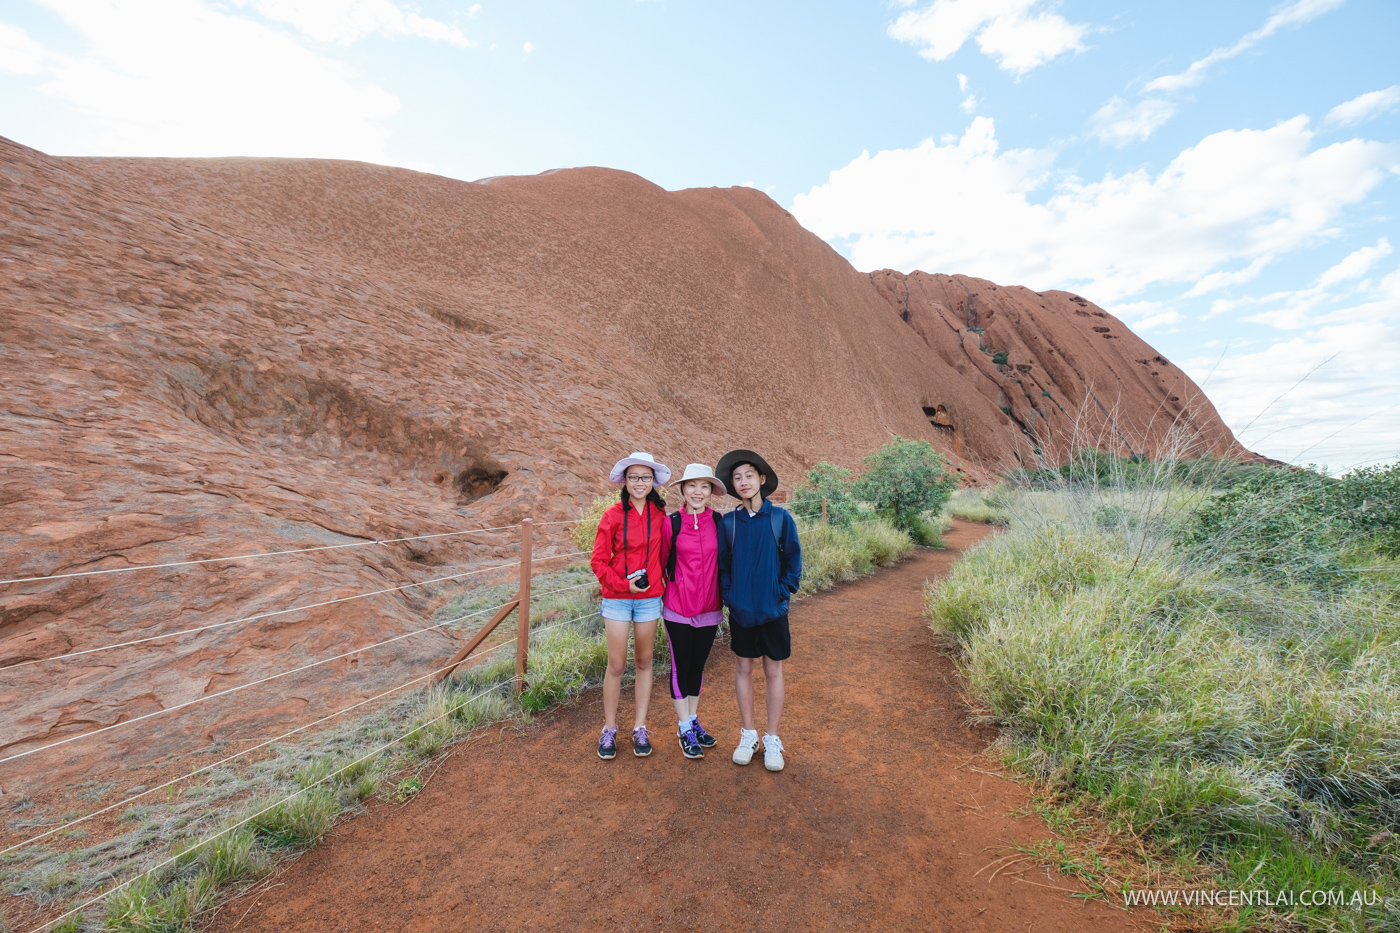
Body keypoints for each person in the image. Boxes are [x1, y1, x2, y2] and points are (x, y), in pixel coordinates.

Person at [715, 449, 802, 772]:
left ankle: (773, 739)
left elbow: (793, 563)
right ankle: (748, 734)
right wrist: (730, 595)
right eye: (737, 478)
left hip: (773, 612)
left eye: (749, 476)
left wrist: (782, 593)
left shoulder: (780, 519)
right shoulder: (728, 523)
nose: (743, 482)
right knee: (743, 669)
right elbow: (723, 566)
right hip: (741, 613)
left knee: (773, 671)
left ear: (762, 480)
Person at [590, 452, 670, 760]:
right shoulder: (612, 515)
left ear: (653, 482)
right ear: (625, 480)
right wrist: (624, 584)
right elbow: (598, 561)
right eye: (634, 477)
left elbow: (669, 555)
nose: (640, 482)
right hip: (618, 599)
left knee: (645, 662)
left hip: (650, 600)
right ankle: (609, 728)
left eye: (645, 477)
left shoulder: (661, 515)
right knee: (617, 665)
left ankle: (639, 726)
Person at [660, 463, 727, 759]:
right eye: (692, 486)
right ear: (683, 490)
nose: (698, 492)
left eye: (704, 486)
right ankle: (684, 726)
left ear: (711, 491)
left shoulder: (720, 522)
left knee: (697, 667)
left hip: (710, 607)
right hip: (677, 607)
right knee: (681, 667)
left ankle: (693, 718)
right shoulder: (671, 523)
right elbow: (662, 561)